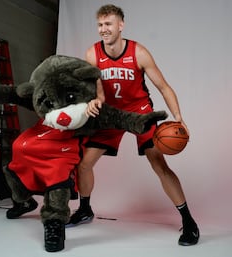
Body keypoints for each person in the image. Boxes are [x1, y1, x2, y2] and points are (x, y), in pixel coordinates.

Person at [67, 4, 199, 246]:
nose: (103, 29)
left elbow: (164, 87)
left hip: (140, 114)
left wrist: (179, 117)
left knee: (159, 164)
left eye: (108, 24)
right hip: (111, 116)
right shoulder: (92, 54)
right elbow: (95, 91)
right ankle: (85, 209)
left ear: (120, 25)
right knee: (84, 164)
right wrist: (94, 101)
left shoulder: (138, 52)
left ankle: (188, 220)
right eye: (100, 25)